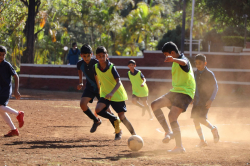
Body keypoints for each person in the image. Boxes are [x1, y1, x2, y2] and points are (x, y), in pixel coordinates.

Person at [151, 42, 196, 154]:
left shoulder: (182, 60)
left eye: (167, 54)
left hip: (185, 93)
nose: (166, 57)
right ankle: (168, 132)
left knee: (172, 116)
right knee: (154, 105)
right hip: (176, 91)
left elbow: (184, 62)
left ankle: (179, 147)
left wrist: (173, 59)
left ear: (172, 53)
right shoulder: (176, 61)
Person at [93, 46, 136, 140]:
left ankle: (134, 134)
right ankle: (117, 126)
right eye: (99, 56)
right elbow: (97, 79)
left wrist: (112, 93)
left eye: (103, 56)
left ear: (106, 56)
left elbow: (119, 82)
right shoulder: (95, 67)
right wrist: (99, 91)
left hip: (116, 94)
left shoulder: (111, 67)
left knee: (122, 116)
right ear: (96, 57)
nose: (101, 58)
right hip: (105, 93)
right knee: (98, 109)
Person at [76, 44, 118, 135]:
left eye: (88, 56)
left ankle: (117, 129)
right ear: (81, 55)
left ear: (92, 54)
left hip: (101, 88)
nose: (86, 58)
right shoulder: (80, 63)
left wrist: (103, 88)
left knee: (107, 110)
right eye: (84, 56)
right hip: (90, 87)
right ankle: (96, 121)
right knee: (82, 104)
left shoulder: (96, 63)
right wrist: (81, 82)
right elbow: (79, 70)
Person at [191, 54, 219, 147]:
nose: (198, 65)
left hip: (205, 101)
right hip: (196, 101)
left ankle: (213, 129)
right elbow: (193, 86)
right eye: (196, 63)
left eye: (200, 63)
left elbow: (215, 88)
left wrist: (211, 100)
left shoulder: (209, 74)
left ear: (205, 63)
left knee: (201, 119)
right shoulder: (195, 73)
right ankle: (202, 141)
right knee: (195, 120)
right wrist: (192, 97)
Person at [0, 45, 24, 137]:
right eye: (0, 55)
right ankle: (14, 130)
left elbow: (16, 76)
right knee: (1, 111)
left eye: (3, 55)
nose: (2, 57)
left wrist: (16, 90)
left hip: (5, 90)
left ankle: (19, 113)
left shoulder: (6, 65)